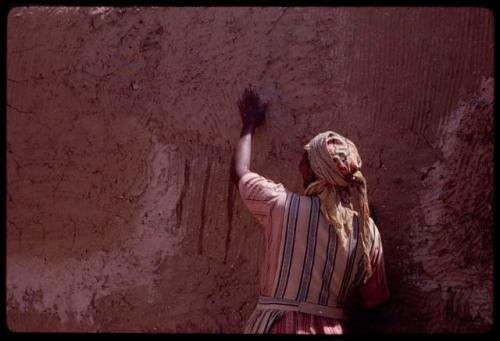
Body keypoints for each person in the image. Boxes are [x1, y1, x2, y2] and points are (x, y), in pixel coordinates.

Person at [234, 86, 390, 334]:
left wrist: (249, 125)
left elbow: (240, 173)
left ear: (311, 171)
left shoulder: (282, 206)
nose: (299, 165)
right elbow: (375, 302)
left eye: (304, 160)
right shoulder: (368, 232)